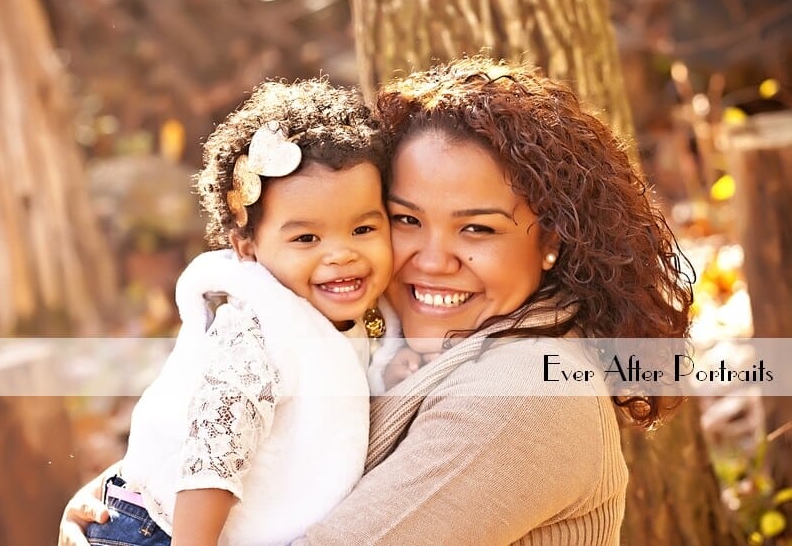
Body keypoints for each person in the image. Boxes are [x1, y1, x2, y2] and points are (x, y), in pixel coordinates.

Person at [60, 57, 693, 545]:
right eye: (404, 220)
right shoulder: (383, 343)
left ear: (550, 241)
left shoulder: (523, 396)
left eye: (478, 228)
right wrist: (127, 500)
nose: (432, 258)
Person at [83, 79, 393, 546]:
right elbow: (211, 459)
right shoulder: (257, 331)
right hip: (168, 532)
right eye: (306, 238)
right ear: (246, 248)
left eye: (363, 228)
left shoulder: (356, 318)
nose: (341, 254)